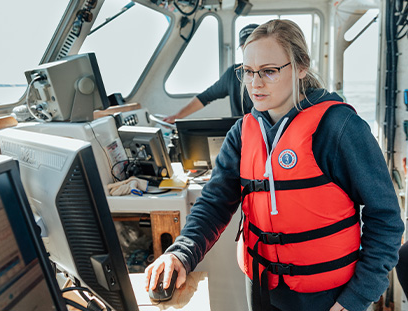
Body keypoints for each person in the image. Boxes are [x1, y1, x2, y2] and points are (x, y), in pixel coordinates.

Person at [145, 19, 403, 311]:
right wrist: (180, 253)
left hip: (329, 297)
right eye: (248, 72)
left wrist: (356, 297)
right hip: (262, 287)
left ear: (301, 67)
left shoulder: (341, 129)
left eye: (269, 71)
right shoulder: (242, 133)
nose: (255, 83)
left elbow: (386, 219)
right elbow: (214, 203)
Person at [162, 24, 258, 123]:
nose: (247, 50)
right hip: (242, 133)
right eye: (244, 46)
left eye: (252, 45)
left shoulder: (272, 73)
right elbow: (204, 97)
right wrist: (177, 117)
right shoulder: (232, 74)